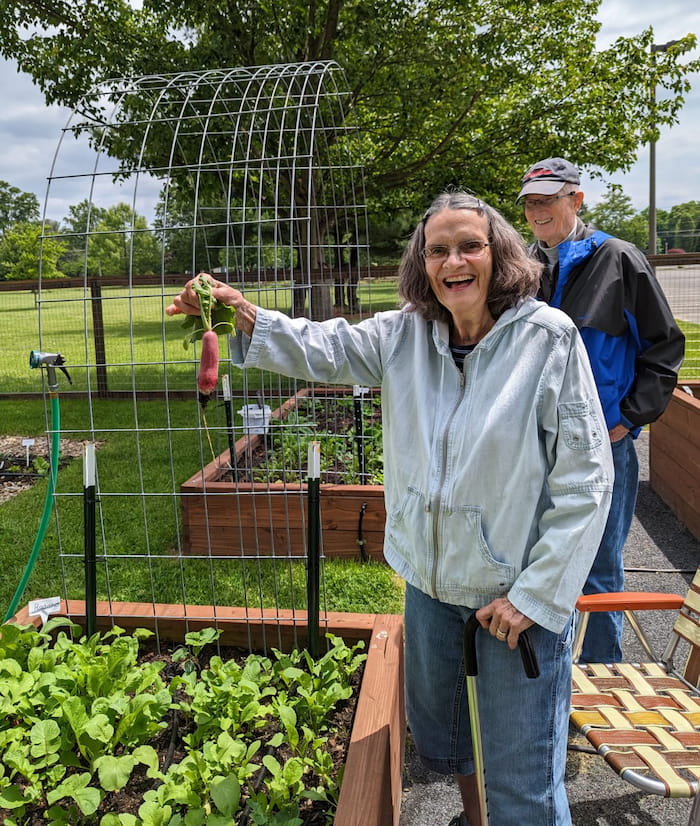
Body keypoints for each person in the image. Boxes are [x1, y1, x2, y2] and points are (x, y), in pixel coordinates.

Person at [166, 191, 613, 826]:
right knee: (449, 745)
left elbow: (587, 479)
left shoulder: (546, 340)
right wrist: (239, 312)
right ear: (421, 263)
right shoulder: (404, 335)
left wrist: (538, 595)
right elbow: (321, 346)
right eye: (437, 250)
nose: (453, 261)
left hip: (512, 603)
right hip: (429, 590)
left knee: (524, 783)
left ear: (500, 254)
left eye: (469, 246)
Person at [518, 157, 685, 664]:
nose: (537, 210)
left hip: (603, 446)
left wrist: (627, 420)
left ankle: (600, 676)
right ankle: (547, 678)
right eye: (529, 201)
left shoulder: (620, 259)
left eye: (548, 198)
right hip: (536, 444)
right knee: (537, 558)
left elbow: (663, 348)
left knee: (597, 565)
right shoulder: (523, 266)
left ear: (577, 198)